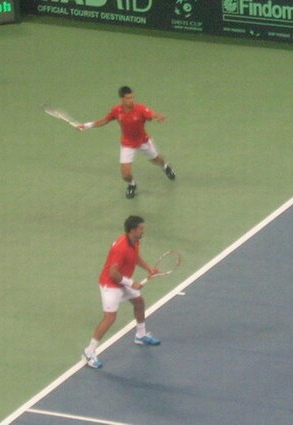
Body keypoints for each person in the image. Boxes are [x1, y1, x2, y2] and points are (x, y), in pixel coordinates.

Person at [83, 215, 160, 369]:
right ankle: (89, 351)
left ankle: (141, 334)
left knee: (139, 302)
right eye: (141, 228)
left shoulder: (135, 241)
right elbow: (113, 274)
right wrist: (132, 283)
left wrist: (148, 268)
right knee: (110, 317)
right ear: (132, 230)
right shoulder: (120, 247)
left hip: (122, 282)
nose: (143, 231)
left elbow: (135, 258)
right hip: (110, 285)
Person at [77, 86, 176, 199]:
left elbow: (152, 114)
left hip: (143, 141)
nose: (131, 100)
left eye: (132, 97)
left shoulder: (140, 108)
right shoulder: (116, 110)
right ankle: (132, 185)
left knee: (156, 159)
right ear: (122, 99)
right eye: (128, 98)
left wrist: (158, 116)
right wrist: (85, 126)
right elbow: (103, 120)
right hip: (127, 144)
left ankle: (165, 167)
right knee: (125, 175)